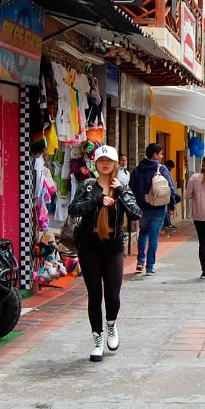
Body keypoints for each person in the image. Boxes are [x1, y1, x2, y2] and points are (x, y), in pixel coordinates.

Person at [68, 145, 141, 362]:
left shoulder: (122, 187)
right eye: (101, 161)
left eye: (109, 161)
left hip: (113, 247)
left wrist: (120, 193)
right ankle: (97, 340)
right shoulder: (87, 186)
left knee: (112, 294)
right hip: (89, 246)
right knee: (94, 295)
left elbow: (136, 214)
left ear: (115, 163)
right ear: (96, 164)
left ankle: (111, 324)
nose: (105, 164)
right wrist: (96, 201)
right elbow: (73, 209)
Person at [129, 143, 176, 274]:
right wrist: (172, 205)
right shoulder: (162, 169)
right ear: (155, 155)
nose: (161, 156)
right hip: (159, 208)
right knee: (153, 237)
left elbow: (130, 188)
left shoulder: (138, 169)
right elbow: (171, 188)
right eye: (160, 153)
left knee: (143, 233)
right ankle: (150, 266)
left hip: (142, 208)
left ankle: (140, 262)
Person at [163, 160, 179, 230]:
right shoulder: (165, 172)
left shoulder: (166, 171)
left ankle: (167, 223)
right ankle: (167, 223)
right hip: (165, 193)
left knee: (178, 198)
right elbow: (170, 186)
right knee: (165, 208)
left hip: (168, 193)